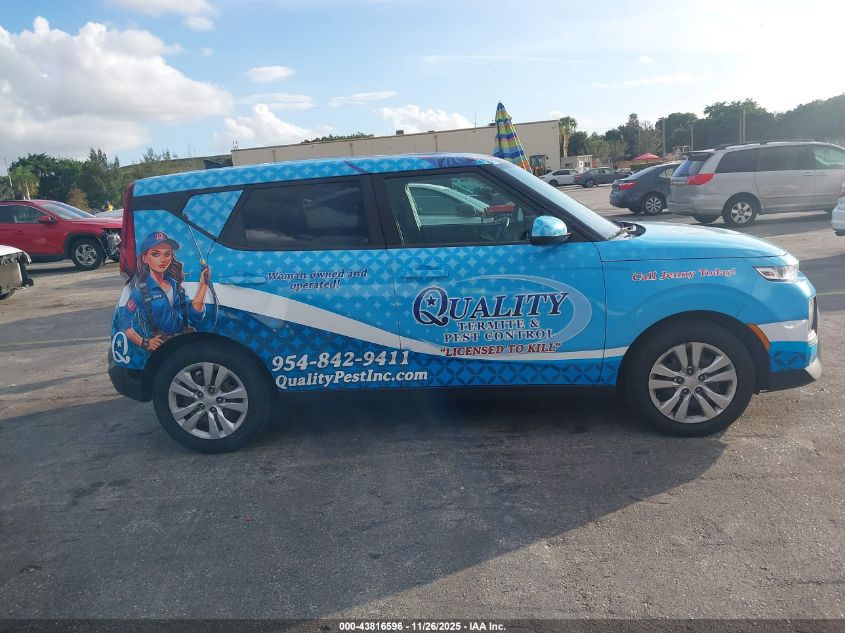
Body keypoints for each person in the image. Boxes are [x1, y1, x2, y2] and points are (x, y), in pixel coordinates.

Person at [118, 231, 212, 351]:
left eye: (167, 254)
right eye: (155, 254)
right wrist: (144, 343)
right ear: (145, 258)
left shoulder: (176, 286)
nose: (162, 259)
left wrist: (203, 286)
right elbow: (124, 320)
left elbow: (194, 315)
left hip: (184, 345)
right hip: (162, 350)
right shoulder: (141, 291)